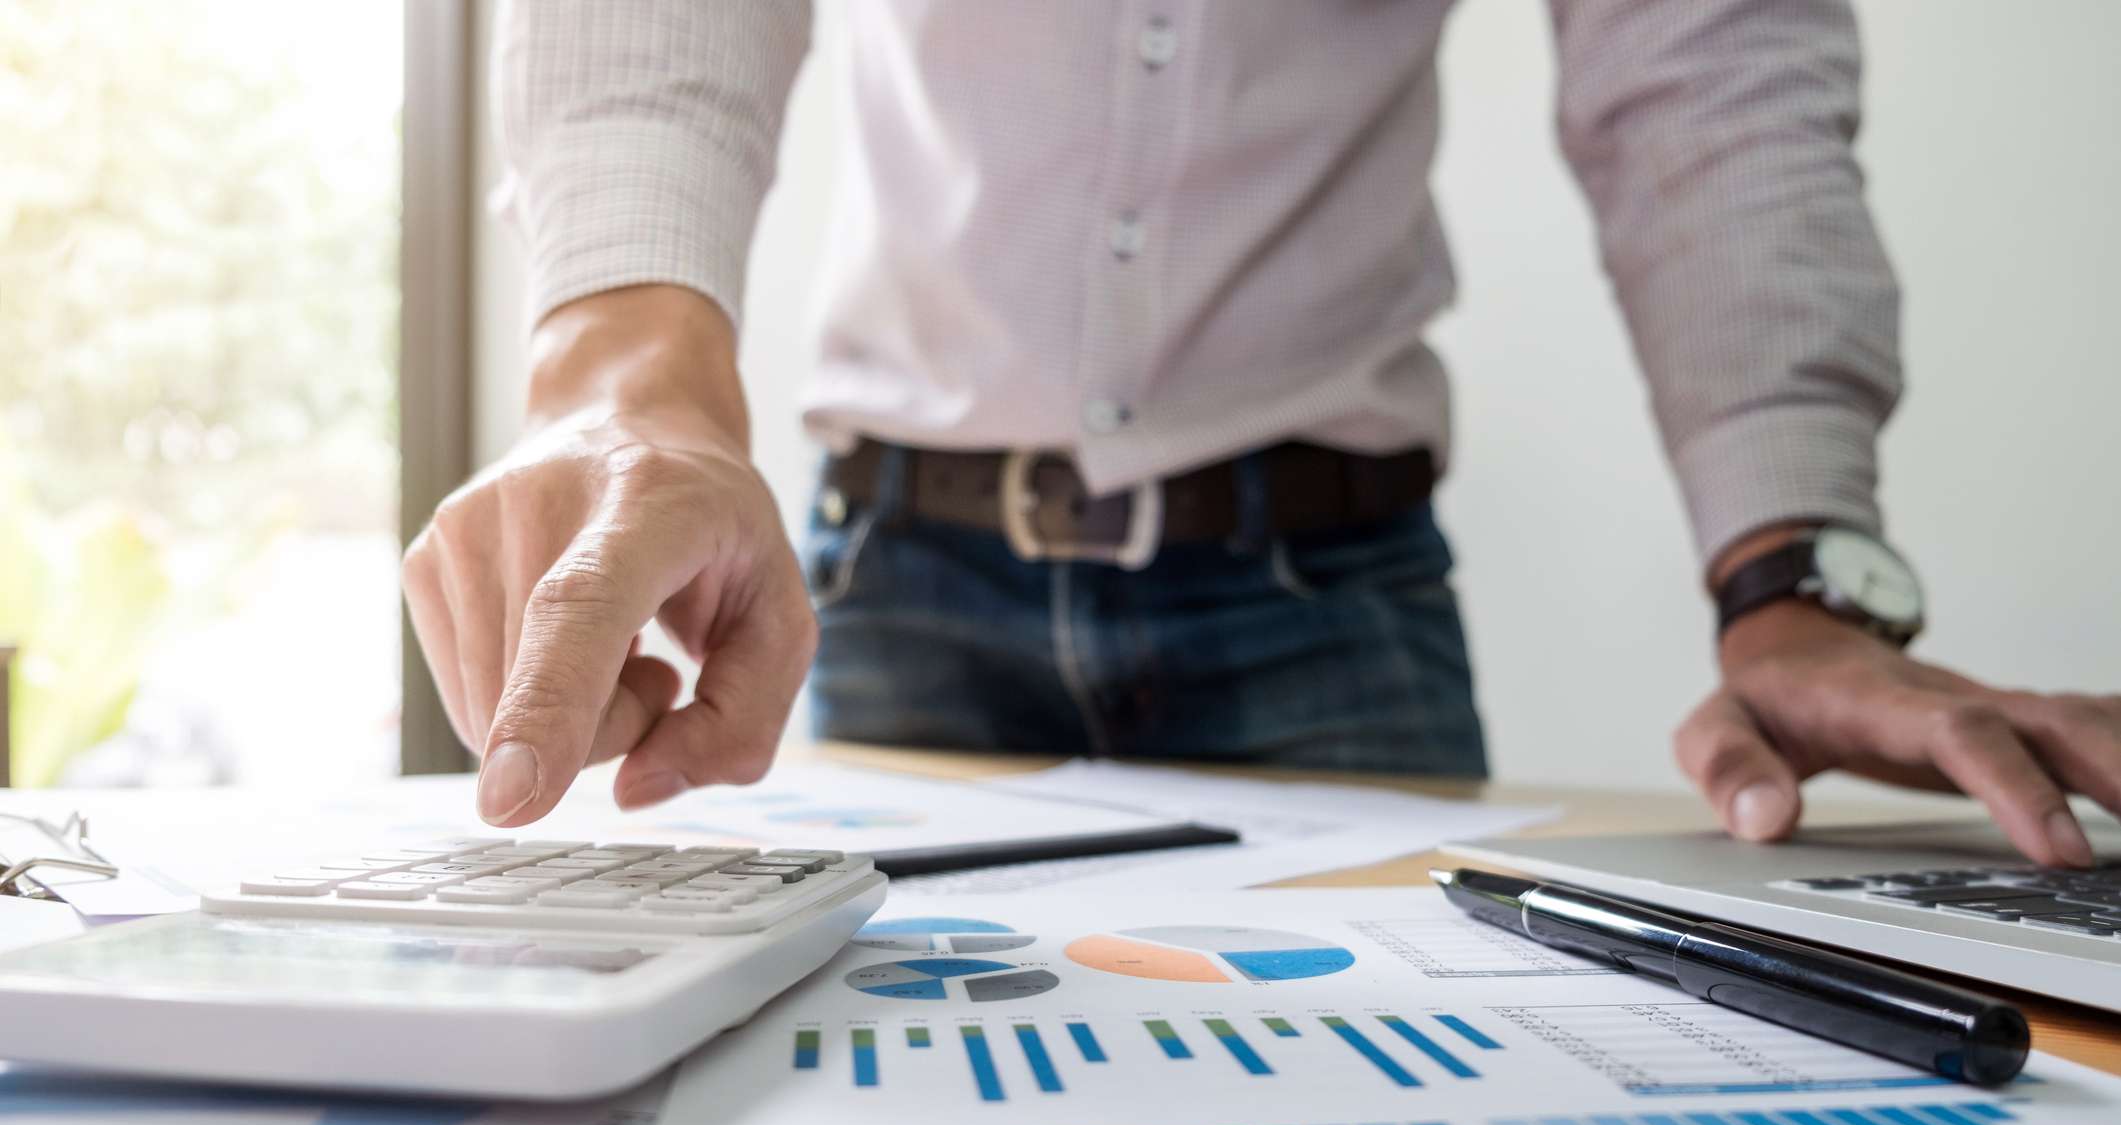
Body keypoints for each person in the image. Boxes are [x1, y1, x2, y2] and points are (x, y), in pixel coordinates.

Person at [404, 1, 2121, 865]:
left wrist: (1789, 566)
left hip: (1328, 595)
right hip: (889, 583)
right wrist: (629, 378)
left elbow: (1704, 69)